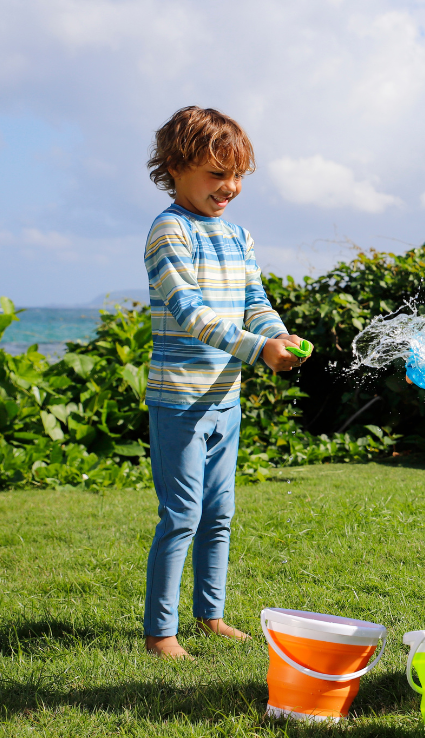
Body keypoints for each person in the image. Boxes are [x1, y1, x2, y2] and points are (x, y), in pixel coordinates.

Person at [142, 106, 307, 658]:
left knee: (219, 514)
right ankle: (160, 633)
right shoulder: (169, 230)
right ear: (176, 166)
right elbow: (190, 312)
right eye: (217, 174)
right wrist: (258, 349)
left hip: (224, 399)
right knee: (182, 515)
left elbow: (254, 303)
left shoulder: (238, 236)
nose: (231, 186)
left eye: (237, 175)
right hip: (180, 400)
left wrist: (278, 337)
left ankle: (210, 616)